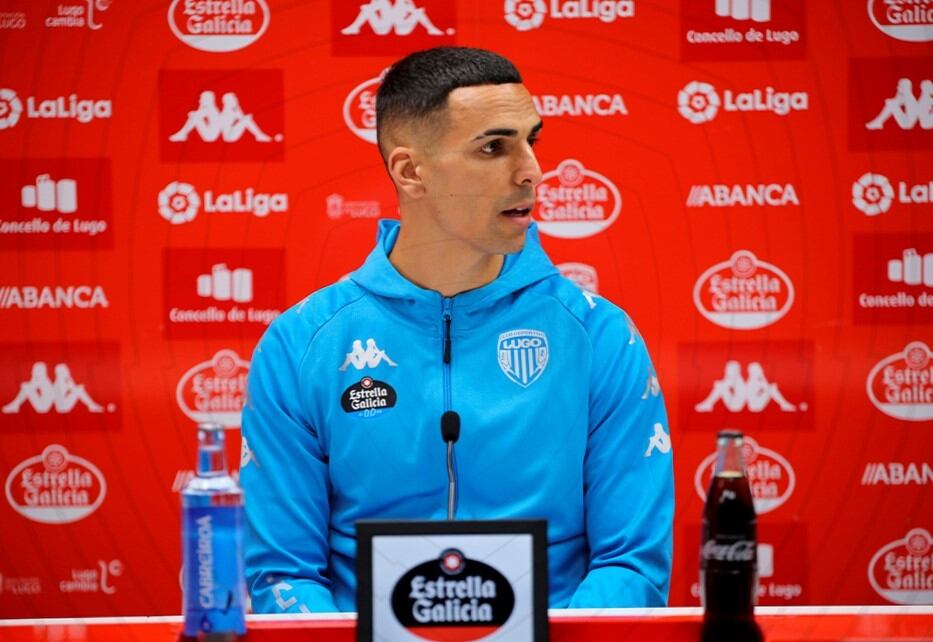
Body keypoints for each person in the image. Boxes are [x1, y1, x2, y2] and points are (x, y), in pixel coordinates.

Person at [240, 46, 673, 614]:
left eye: (531, 141)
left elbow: (631, 564)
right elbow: (284, 573)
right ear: (410, 171)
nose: (532, 172)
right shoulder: (301, 344)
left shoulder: (601, 336)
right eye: (494, 147)